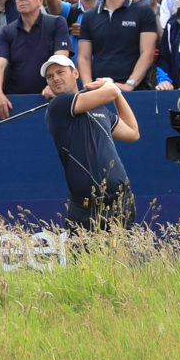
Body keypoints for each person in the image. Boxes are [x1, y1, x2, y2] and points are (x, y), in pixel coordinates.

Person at [42, 53, 139, 229]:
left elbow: (133, 133)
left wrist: (117, 95)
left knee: (124, 257)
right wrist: (110, 87)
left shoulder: (99, 109)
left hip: (121, 202)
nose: (55, 78)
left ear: (75, 74)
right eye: (50, 76)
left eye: (60, 72)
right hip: (86, 210)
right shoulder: (58, 105)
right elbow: (109, 91)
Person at [77, 0, 159, 91]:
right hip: (99, 90)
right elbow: (84, 57)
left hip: (135, 92)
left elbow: (148, 52)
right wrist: (88, 86)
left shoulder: (143, 11)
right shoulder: (90, 16)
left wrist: (129, 84)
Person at [0, 0, 73, 110]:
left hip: (50, 98)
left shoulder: (57, 23)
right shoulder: (7, 31)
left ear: (40, 0)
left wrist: (52, 85)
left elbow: (61, 58)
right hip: (15, 103)